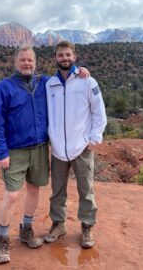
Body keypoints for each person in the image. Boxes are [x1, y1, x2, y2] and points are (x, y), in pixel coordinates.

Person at [0, 44, 90, 264]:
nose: (27, 63)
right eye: (23, 60)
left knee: (34, 190)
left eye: (30, 60)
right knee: (13, 194)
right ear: (15, 62)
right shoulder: (4, 87)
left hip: (39, 148)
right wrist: (1, 152)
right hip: (14, 151)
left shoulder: (44, 83)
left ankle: (26, 229)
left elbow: (65, 78)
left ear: (36, 63)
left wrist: (80, 70)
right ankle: (3, 239)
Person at [44, 41, 107, 248]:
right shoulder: (49, 84)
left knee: (86, 189)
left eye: (68, 55)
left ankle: (87, 227)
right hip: (58, 149)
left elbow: (99, 111)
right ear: (55, 58)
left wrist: (94, 137)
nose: (65, 58)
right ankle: (58, 224)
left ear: (74, 56)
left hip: (81, 147)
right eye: (61, 55)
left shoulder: (87, 81)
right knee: (57, 191)